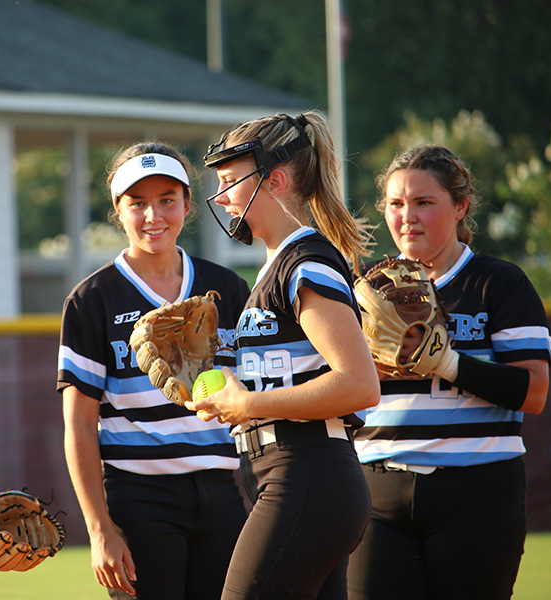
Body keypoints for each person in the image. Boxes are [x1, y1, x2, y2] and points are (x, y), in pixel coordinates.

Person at [187, 111, 380, 600]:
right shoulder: (279, 266)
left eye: (231, 181)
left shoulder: (305, 262)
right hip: (292, 473)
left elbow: (359, 385)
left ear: (273, 180)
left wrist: (246, 405)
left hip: (307, 471)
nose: (224, 198)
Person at [347, 145, 551, 600]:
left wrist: (448, 363)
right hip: (377, 491)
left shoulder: (499, 282)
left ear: (460, 207)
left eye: (424, 202)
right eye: (396, 204)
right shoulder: (364, 289)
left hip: (478, 492)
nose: (407, 217)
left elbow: (534, 392)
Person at [57, 142, 249, 600]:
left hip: (222, 489)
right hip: (140, 496)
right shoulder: (92, 299)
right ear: (118, 211)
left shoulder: (226, 287)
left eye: (167, 199)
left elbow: (254, 395)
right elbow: (79, 423)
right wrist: (100, 527)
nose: (153, 215)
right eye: (137, 203)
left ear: (187, 204)